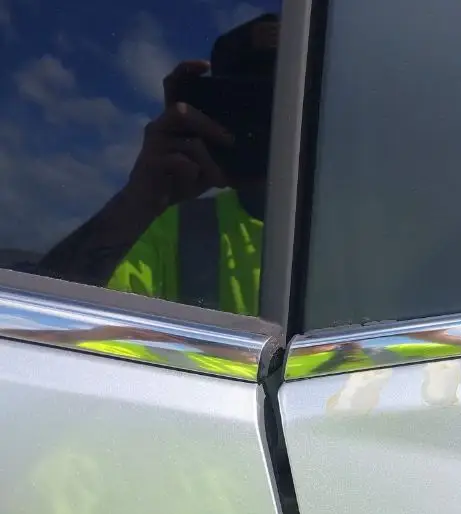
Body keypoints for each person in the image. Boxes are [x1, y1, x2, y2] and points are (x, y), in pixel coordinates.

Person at [38, 14, 280, 317]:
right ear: (208, 112)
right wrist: (139, 201)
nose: (263, 128)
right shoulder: (169, 230)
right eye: (242, 109)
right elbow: (51, 319)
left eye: (274, 105)